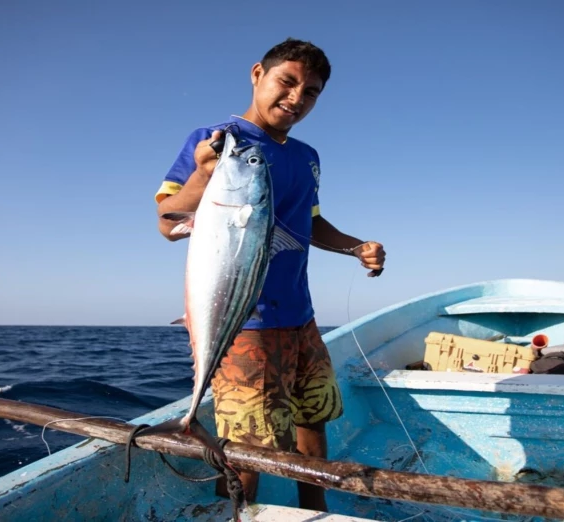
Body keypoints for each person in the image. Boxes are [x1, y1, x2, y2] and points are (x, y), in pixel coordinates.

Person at [153, 37, 386, 511]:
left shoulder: (307, 156)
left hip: (300, 318)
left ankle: (314, 509)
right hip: (244, 325)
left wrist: (355, 247)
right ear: (257, 73)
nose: (297, 97)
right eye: (288, 81)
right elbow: (168, 220)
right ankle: (238, 515)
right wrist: (202, 174)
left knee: (313, 418)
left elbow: (310, 223)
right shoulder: (215, 139)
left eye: (312, 91)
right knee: (247, 448)